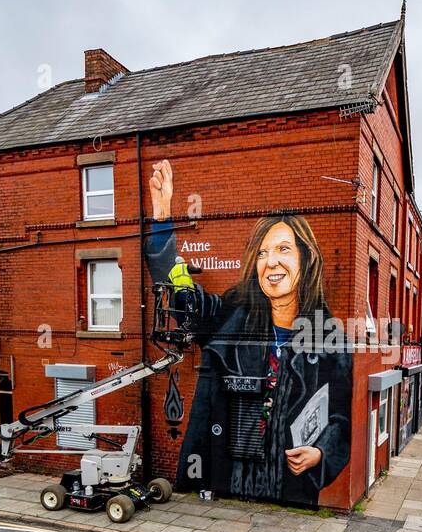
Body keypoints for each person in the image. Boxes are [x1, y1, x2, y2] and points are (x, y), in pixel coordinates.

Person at [147, 160, 351, 507]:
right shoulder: (230, 315)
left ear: (306, 257)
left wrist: (319, 453)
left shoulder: (330, 336)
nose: (271, 262)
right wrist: (162, 219)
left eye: (283, 249)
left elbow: (340, 420)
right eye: (262, 253)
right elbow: (181, 298)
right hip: (228, 481)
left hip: (290, 489)